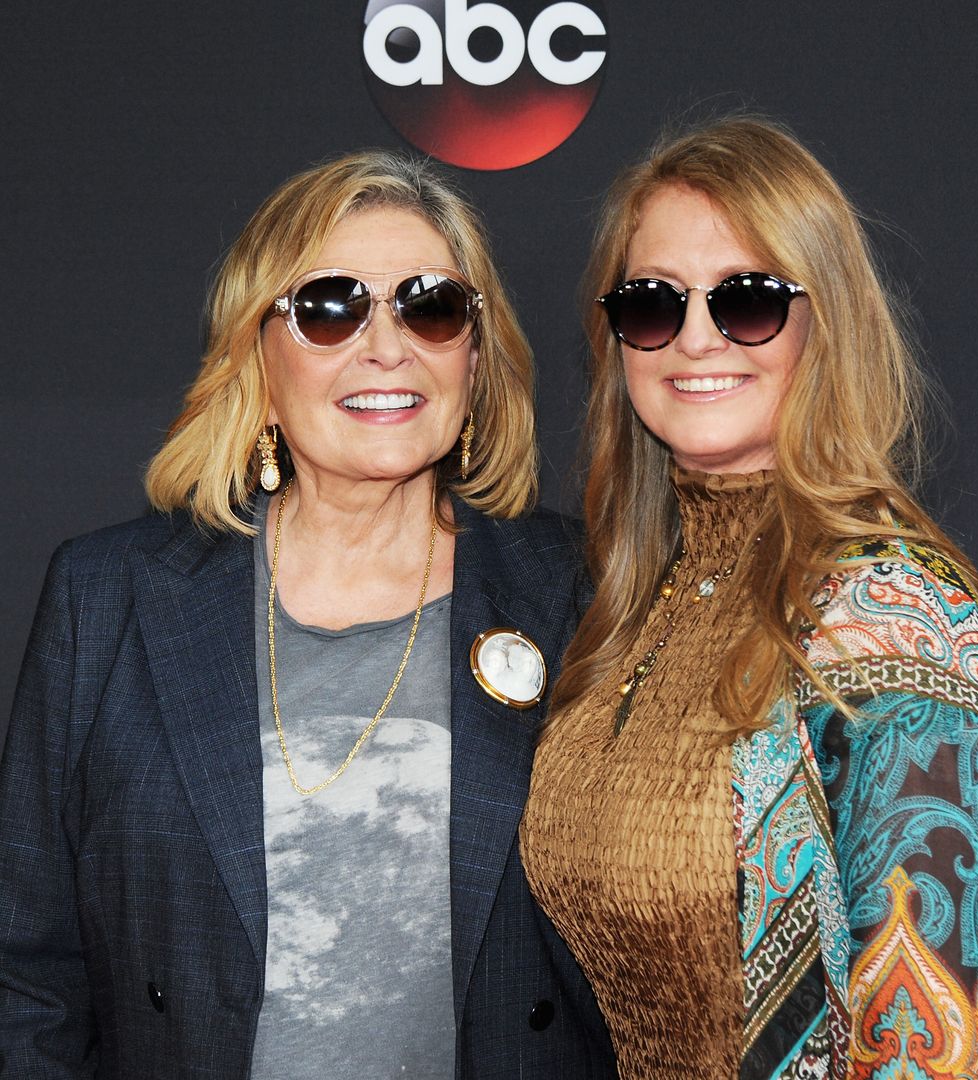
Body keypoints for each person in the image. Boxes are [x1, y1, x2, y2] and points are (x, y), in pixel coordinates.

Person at [0, 151, 616, 1078]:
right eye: (332, 307)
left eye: (430, 306)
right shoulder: (109, 597)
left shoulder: (582, 591)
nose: (387, 346)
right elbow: (28, 974)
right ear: (258, 351)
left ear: (474, 353)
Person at [519, 117, 978, 1079]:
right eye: (652, 303)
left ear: (829, 323)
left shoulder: (901, 619)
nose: (695, 338)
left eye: (749, 300)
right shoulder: (640, 603)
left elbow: (932, 1048)